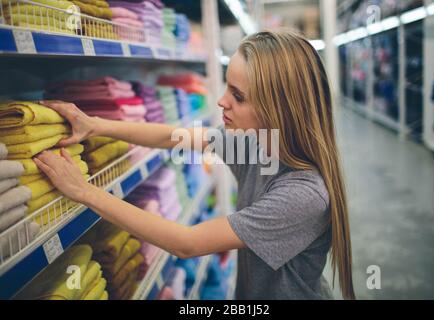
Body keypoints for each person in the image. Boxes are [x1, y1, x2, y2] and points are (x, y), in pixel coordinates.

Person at [35, 29, 355, 300]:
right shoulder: (260, 143)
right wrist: (96, 125)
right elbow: (173, 137)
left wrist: (84, 191)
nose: (221, 100)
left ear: (278, 110)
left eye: (238, 96)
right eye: (228, 86)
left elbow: (187, 244)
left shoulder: (304, 195)